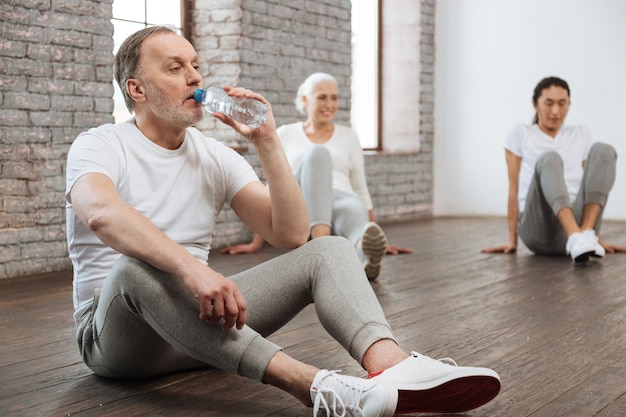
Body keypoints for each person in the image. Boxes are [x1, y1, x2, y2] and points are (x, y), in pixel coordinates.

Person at [66, 26, 500, 417]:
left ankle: (391, 365)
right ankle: (318, 387)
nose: (196, 77)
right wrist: (191, 268)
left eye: (196, 65)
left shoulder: (213, 155)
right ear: (137, 89)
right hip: (119, 339)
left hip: (200, 333)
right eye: (176, 67)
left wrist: (268, 141)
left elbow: (291, 234)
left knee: (328, 249)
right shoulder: (99, 145)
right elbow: (103, 213)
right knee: (134, 268)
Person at [221, 73, 413, 280]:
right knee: (318, 154)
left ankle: (365, 257)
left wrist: (376, 230)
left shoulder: (348, 136)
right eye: (322, 97)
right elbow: (273, 187)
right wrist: (256, 242)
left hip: (342, 198)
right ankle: (323, 248)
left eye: (334, 97)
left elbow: (360, 188)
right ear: (305, 99)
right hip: (303, 202)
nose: (329, 104)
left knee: (358, 227)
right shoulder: (284, 133)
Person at [482, 76, 625, 262]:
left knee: (604, 150)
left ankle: (586, 235)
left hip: (578, 223)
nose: (556, 111)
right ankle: (576, 236)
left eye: (562, 103)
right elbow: (513, 189)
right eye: (548, 103)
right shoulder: (521, 133)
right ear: (535, 104)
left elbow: (592, 185)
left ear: (569, 104)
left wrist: (598, 237)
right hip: (538, 230)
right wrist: (512, 241)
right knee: (549, 158)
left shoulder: (581, 133)